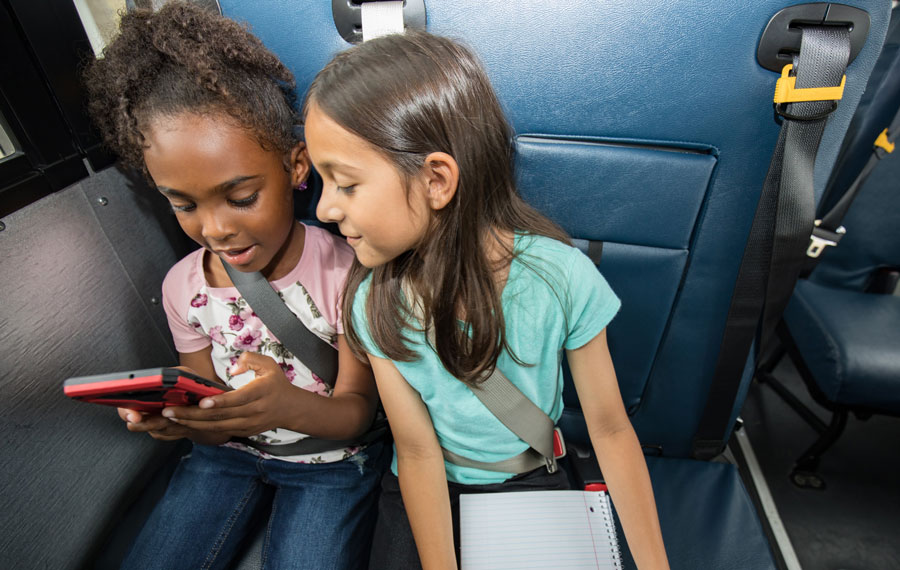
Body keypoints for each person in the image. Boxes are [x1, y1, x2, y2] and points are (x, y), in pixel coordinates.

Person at [304, 31, 670, 570]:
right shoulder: (373, 300)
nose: (325, 209)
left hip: (530, 474)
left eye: (345, 184)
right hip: (426, 490)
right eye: (320, 181)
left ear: (435, 179)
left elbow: (610, 428)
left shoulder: (561, 278)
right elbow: (418, 450)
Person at [83, 3, 386, 569]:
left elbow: (356, 414)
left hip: (329, 462)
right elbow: (200, 389)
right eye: (183, 204)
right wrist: (174, 417)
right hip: (227, 458)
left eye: (241, 197)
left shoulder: (348, 271)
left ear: (297, 167)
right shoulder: (182, 287)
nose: (215, 228)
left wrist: (289, 405)